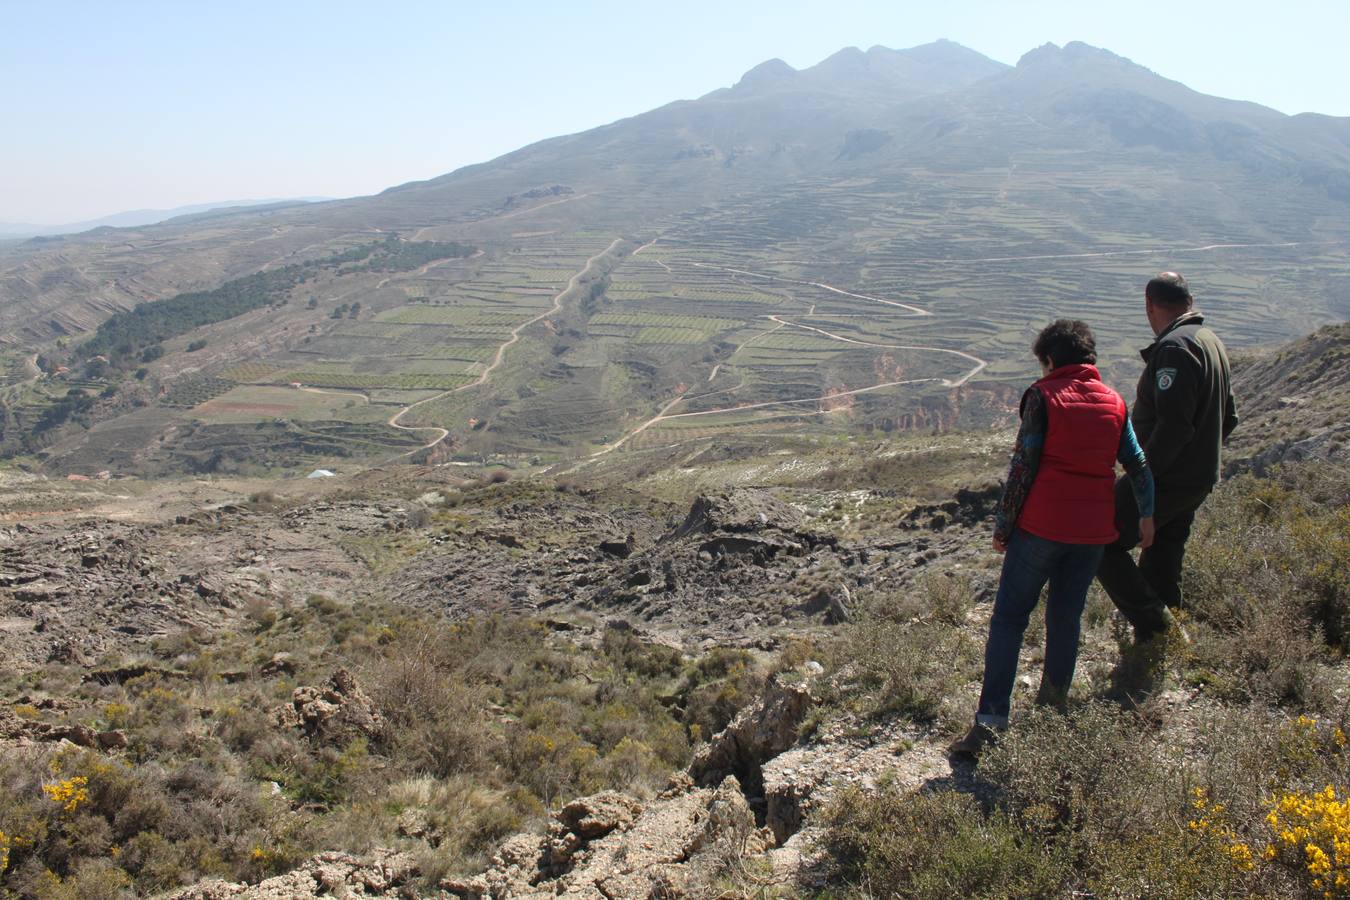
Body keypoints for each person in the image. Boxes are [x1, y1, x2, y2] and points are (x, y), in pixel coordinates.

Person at [949, 319, 1154, 757]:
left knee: (1008, 621)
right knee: (1066, 620)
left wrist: (1004, 528)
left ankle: (990, 726)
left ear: (1049, 359)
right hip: (1093, 535)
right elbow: (1137, 463)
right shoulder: (1115, 403)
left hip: (1041, 528)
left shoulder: (1043, 397)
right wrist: (1148, 515)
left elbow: (1023, 468)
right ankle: (1051, 713)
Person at [1096, 272, 1238, 643]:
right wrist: (1201, 459)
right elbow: (1231, 417)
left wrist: (1144, 479)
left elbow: (1174, 427)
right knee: (1163, 554)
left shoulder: (1175, 348)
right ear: (1188, 301)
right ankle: (1162, 643)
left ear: (1149, 304)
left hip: (1166, 479)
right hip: (1195, 478)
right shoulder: (1210, 341)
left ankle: (1159, 627)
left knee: (1096, 535)